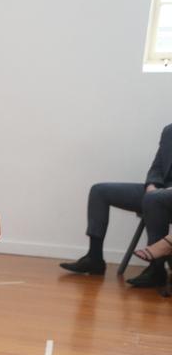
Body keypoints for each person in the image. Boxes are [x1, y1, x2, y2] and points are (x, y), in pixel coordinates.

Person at [60, 123, 172, 289]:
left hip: (165, 196)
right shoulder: (169, 131)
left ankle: (156, 269)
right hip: (161, 191)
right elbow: (156, 167)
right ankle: (94, 257)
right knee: (99, 191)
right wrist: (151, 184)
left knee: (153, 199)